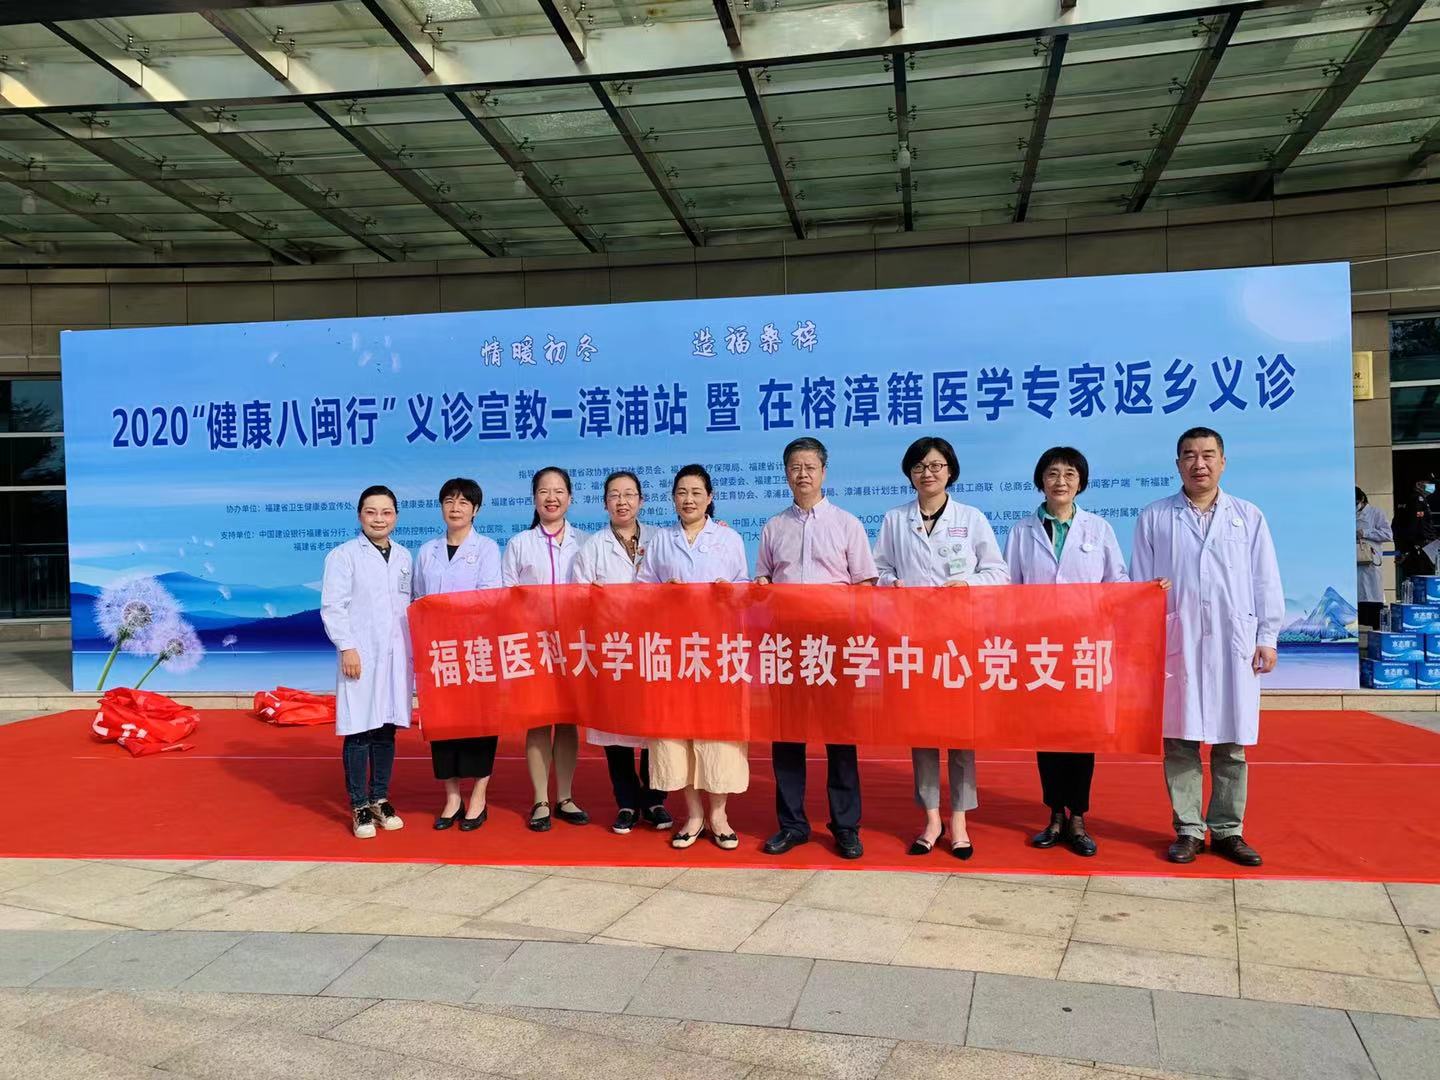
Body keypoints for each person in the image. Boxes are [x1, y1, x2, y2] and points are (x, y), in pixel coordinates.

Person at [1131, 427, 1283, 867]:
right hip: (1176, 643)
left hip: (1234, 645)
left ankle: (1228, 830)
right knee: (1180, 740)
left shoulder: (1247, 516)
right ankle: (1188, 830)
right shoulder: (1155, 516)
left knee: (1231, 742)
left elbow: (1265, 579)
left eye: (1208, 455)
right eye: (1189, 455)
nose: (1199, 464)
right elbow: (1141, 584)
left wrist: (1267, 637)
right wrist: (1145, 642)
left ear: (1223, 461)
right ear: (1177, 463)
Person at [874, 436, 1008, 860]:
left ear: (950, 470)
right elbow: (879, 569)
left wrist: (966, 583)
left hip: (960, 641)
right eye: (918, 467)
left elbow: (998, 573)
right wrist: (891, 583)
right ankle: (932, 819)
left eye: (935, 465)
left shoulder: (971, 518)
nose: (927, 473)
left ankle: (961, 820)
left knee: (961, 733)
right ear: (909, 473)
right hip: (915, 640)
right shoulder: (895, 519)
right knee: (923, 731)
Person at [755, 437, 878, 860]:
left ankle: (845, 826)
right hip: (787, 645)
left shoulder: (847, 524)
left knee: (840, 737)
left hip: (833, 646)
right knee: (787, 737)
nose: (802, 473)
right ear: (786, 473)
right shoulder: (773, 527)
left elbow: (865, 584)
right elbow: (764, 580)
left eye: (810, 466)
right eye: (795, 466)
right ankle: (792, 824)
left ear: (824, 472)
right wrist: (763, 587)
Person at [1004, 447, 1130, 857]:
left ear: (1081, 482)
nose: (1061, 481)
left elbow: (1117, 582)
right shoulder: (1022, 530)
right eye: (1053, 473)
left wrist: (1146, 592)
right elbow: (1010, 590)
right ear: (1041, 480)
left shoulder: (1098, 529)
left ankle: (1078, 816)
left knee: (1080, 733)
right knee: (1047, 734)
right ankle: (1054, 814)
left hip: (1084, 648)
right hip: (1040, 648)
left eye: (1070, 474)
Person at [637, 463, 750, 851]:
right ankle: (694, 814)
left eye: (696, 492)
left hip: (717, 651)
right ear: (673, 498)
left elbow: (744, 589)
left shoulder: (728, 539)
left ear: (710, 497)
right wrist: (661, 591)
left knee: (717, 731)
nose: (688, 499)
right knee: (677, 731)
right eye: (682, 492)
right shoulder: (661, 541)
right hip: (673, 651)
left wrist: (728, 591)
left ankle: (719, 815)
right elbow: (642, 589)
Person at [570, 470, 673, 835]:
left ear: (641, 501)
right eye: (614, 495)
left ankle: (655, 799)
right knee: (614, 730)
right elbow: (578, 597)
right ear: (605, 503)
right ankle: (627, 802)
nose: (622, 501)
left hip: (653, 647)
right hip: (612, 647)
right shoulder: (593, 547)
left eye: (629, 494)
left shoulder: (662, 539)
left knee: (653, 727)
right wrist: (594, 599)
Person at [320, 485, 412, 839]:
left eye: (386, 512)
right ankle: (359, 804)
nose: (379, 519)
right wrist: (347, 647)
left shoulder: (404, 556)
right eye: (371, 512)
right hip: (360, 655)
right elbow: (333, 606)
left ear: (396, 516)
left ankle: (379, 798)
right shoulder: (343, 556)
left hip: (394, 656)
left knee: (386, 728)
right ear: (360, 515)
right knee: (359, 729)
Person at [502, 466, 590, 832]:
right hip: (533, 645)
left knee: (567, 722)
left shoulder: (587, 542)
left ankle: (565, 796)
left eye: (558, 491)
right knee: (538, 721)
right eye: (544, 491)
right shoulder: (519, 543)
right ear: (534, 498)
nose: (551, 498)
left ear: (570, 498)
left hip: (573, 644)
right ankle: (540, 799)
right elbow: (506, 598)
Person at [413, 477, 503, 832]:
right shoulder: (427, 551)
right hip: (438, 651)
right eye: (449, 501)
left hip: (475, 649)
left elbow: (489, 598)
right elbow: (418, 600)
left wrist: (447, 612)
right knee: (443, 724)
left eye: (464, 502)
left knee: (480, 724)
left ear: (475, 510)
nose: (455, 508)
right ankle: (452, 797)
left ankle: (479, 796)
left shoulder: (487, 549)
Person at [1355, 486, 1392, 631]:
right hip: (1354, 562)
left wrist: (1365, 532)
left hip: (1370, 561)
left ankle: (1377, 630)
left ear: (1362, 499)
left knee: (1371, 595)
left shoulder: (1376, 513)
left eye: (1355, 502)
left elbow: (1388, 534)